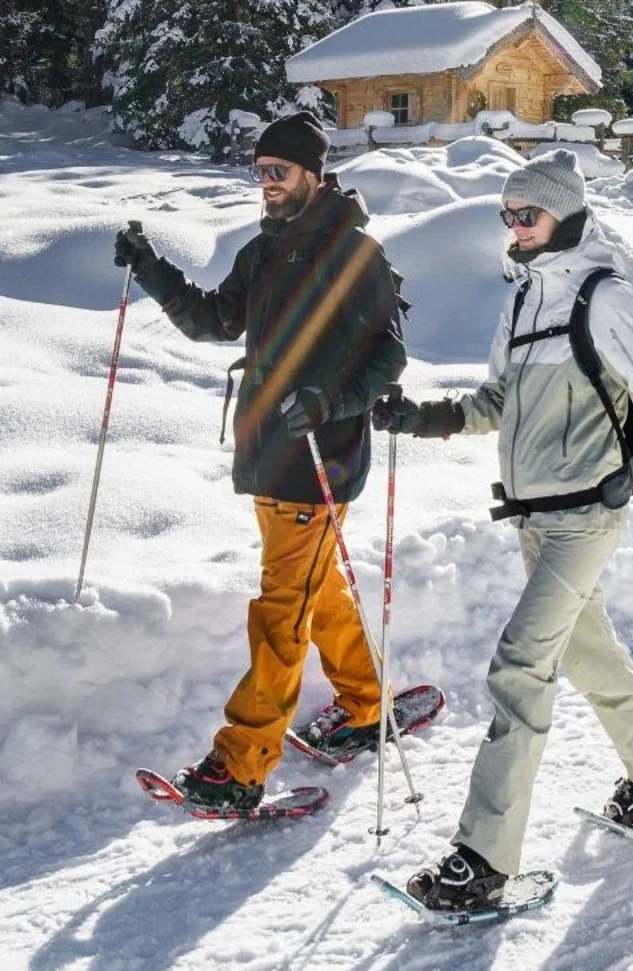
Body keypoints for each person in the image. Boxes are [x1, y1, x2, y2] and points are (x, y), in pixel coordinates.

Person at [373, 149, 633, 911]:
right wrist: (425, 415)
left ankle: (482, 860)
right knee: (587, 653)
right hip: (533, 518)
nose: (515, 228)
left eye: (530, 214)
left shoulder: (603, 295)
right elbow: (495, 399)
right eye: (508, 216)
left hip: (588, 511)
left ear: (567, 214)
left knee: (520, 668)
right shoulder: (519, 303)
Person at [114, 111, 415, 810]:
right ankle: (368, 704)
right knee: (317, 591)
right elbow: (213, 320)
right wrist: (151, 267)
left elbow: (388, 354)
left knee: (281, 614)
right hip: (268, 460)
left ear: (313, 173)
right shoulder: (265, 251)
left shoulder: (355, 255)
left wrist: (326, 401)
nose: (267, 185)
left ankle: (241, 764)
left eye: (278, 172)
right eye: (260, 173)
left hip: (321, 462)